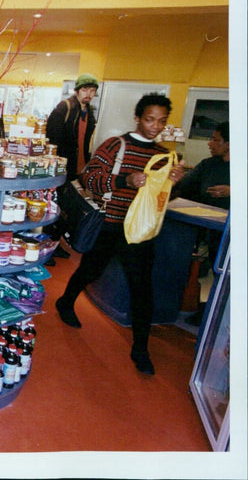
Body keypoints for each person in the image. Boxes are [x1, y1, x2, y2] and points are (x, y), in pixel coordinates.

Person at [54, 93, 186, 375]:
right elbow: (88, 178)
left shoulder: (162, 155)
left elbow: (162, 197)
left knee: (142, 290)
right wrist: (124, 180)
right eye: (150, 119)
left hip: (140, 230)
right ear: (138, 118)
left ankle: (140, 349)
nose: (155, 126)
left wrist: (173, 184)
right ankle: (65, 301)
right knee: (91, 269)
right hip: (110, 223)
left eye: (161, 121)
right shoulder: (117, 145)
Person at [171, 121, 230, 325]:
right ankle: (209, 313)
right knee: (216, 273)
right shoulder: (208, 165)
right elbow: (185, 185)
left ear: (229, 144)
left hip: (233, 234)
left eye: (215, 139)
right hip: (212, 234)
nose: (210, 143)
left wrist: (234, 191)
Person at [45, 73, 99, 260]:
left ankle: (55, 243)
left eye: (92, 91)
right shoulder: (65, 107)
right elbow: (52, 137)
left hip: (78, 169)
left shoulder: (89, 113)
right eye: (85, 89)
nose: (89, 94)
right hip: (62, 168)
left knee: (67, 208)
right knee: (55, 206)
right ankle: (47, 247)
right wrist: (58, 166)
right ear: (77, 90)